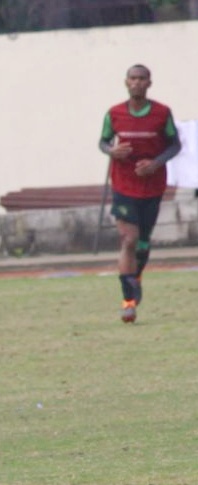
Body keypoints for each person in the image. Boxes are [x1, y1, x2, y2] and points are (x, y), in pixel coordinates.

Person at [99, 64, 180, 323]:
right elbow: (103, 141)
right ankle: (128, 301)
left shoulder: (161, 113)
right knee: (128, 239)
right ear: (126, 82)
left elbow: (175, 144)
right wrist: (111, 151)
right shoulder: (114, 113)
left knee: (143, 242)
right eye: (132, 78)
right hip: (123, 185)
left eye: (141, 78)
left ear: (149, 83)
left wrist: (155, 163)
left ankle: (136, 276)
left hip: (153, 186)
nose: (136, 83)